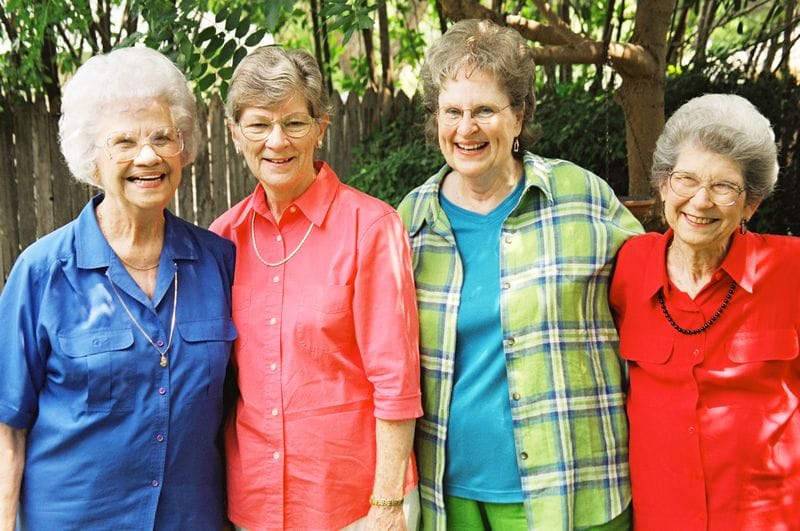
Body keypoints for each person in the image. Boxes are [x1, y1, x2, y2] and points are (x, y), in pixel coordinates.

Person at [396, 19, 642, 530]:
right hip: (450, 493)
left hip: (573, 486)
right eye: (453, 112)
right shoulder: (409, 222)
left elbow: (656, 296)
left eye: (485, 110)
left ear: (519, 115)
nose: (466, 129)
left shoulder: (581, 197)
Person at [0, 46, 237, 530]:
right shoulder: (42, 272)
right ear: (93, 158)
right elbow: (7, 427)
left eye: (161, 137)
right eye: (123, 141)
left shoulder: (219, 262)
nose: (147, 156)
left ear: (183, 147)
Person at [209, 45, 422, 530]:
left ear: (321, 128)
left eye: (294, 123)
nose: (276, 141)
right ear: (235, 133)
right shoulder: (223, 239)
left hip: (355, 504)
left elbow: (396, 381)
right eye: (259, 124)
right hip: (255, 504)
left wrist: (386, 505)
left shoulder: (370, 228)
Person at [610, 93, 798, 529]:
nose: (700, 201)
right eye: (686, 179)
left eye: (723, 186)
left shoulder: (790, 270)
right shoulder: (627, 267)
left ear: (750, 203)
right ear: (663, 185)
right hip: (661, 519)